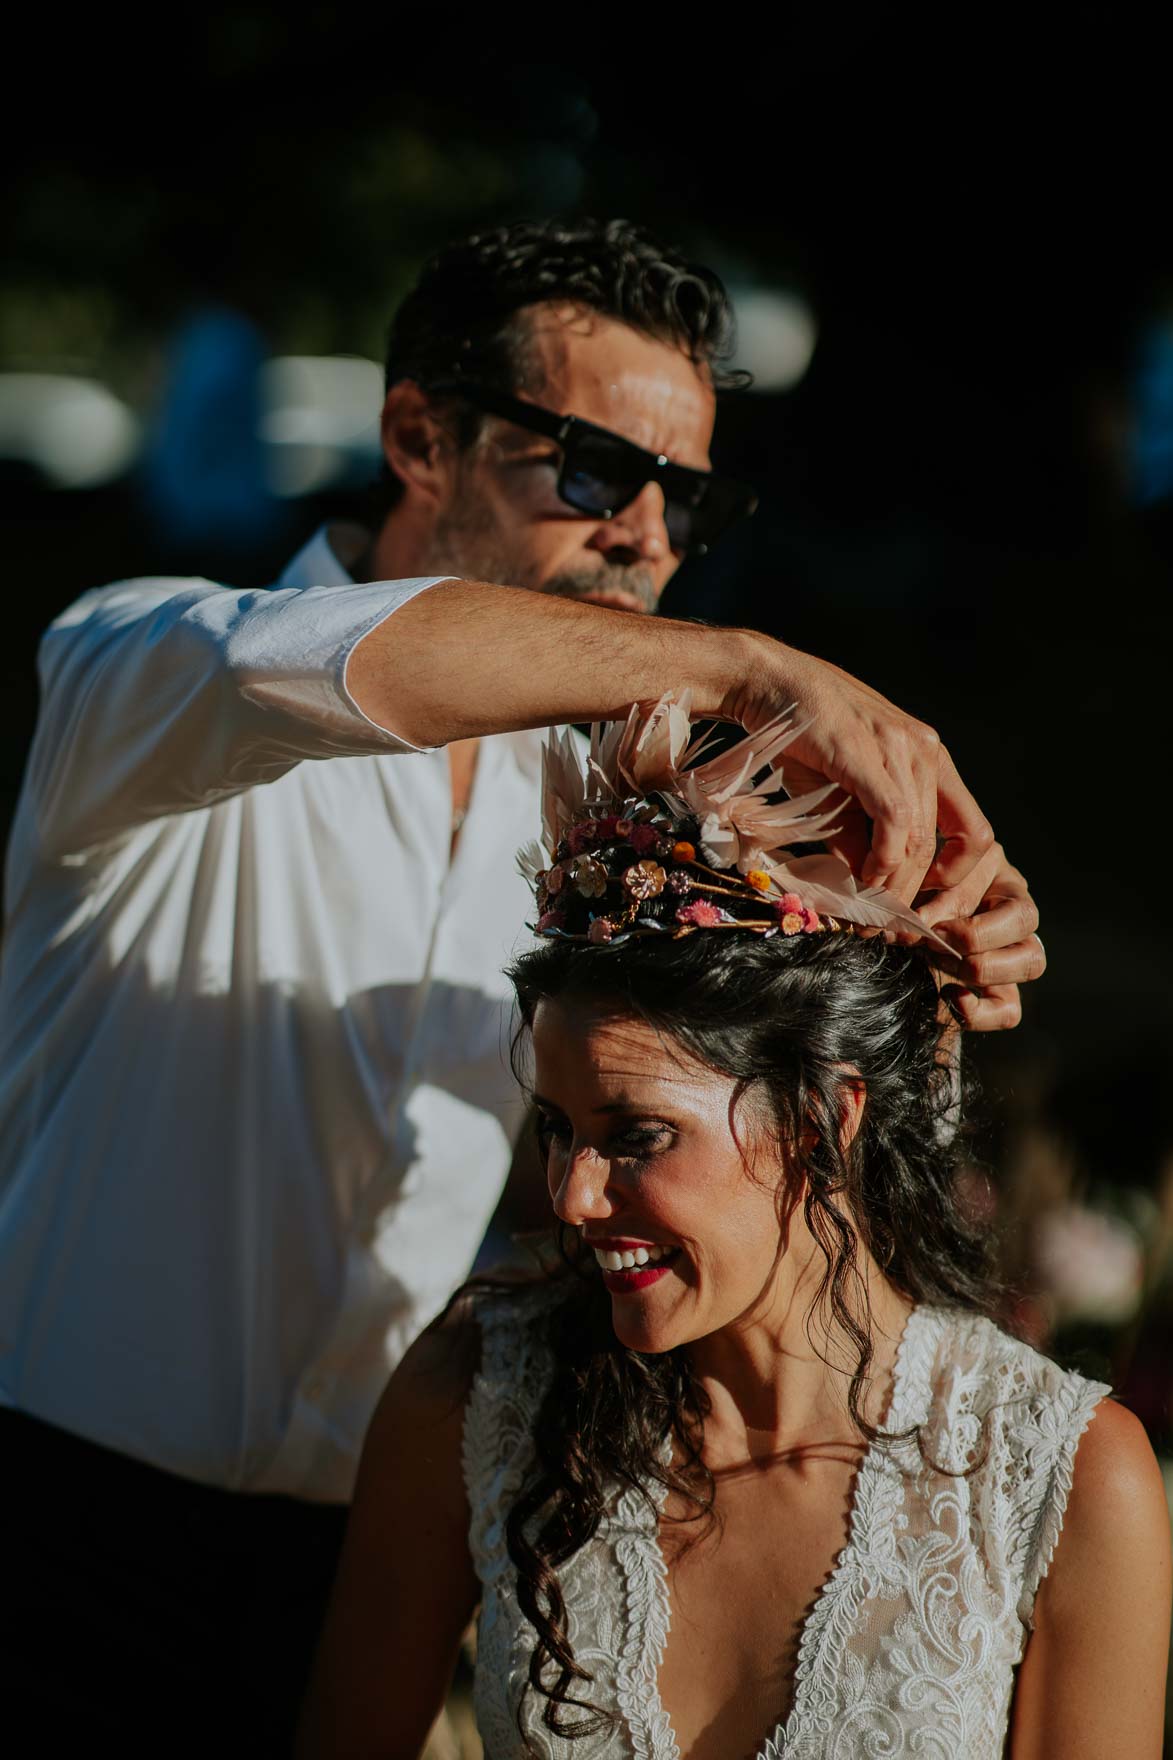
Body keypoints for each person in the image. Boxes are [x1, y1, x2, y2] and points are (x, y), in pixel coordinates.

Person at [0, 221, 1041, 1750]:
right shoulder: (142, 673)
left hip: (362, 1553)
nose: (647, 534)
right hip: (47, 1531)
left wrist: (946, 916)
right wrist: (744, 664)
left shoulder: (587, 814)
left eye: (682, 494)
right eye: (591, 471)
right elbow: (310, 663)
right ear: (419, 437)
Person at [299, 700, 1169, 1760]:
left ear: (821, 1119)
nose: (572, 1196)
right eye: (558, 1129)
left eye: (637, 1135)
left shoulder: (1063, 1481)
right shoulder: (478, 1396)